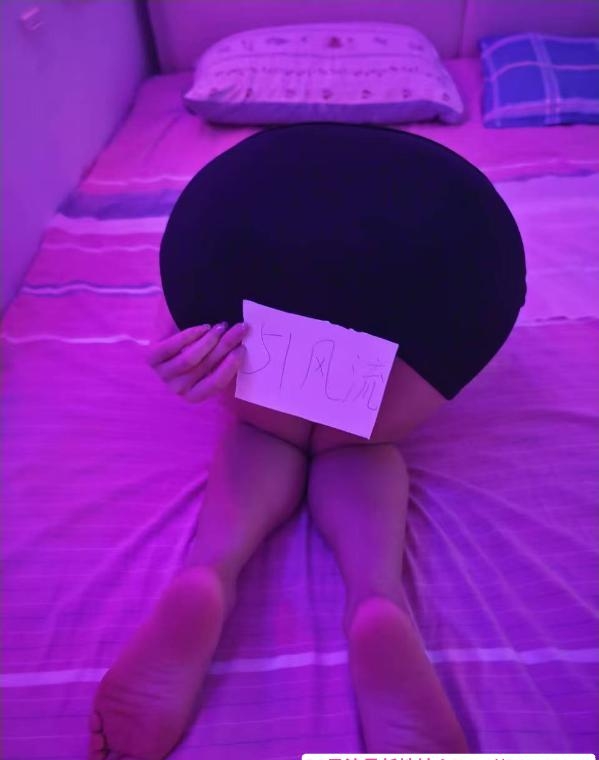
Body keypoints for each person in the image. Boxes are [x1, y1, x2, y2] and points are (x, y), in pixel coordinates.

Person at [89, 123, 526, 760]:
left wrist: (180, 342)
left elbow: (179, 333)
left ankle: (209, 570)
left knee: (267, 423)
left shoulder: (249, 171)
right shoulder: (437, 188)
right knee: (354, 438)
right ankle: (378, 598)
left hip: (236, 232)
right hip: (445, 249)